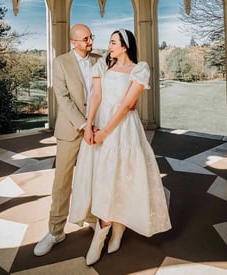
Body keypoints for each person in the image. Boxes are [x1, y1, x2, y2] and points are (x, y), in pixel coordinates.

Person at [69, 29, 172, 265]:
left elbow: (127, 105)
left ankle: (113, 229)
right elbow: (96, 97)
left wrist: (106, 132)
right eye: (110, 42)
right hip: (99, 124)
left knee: (121, 177)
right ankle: (107, 229)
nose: (109, 45)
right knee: (103, 178)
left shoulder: (140, 68)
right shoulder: (102, 66)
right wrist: (89, 127)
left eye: (113, 42)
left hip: (123, 129)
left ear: (125, 46)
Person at [33, 24, 101, 257]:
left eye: (91, 37)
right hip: (71, 130)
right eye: (85, 39)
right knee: (62, 181)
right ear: (73, 42)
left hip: (97, 129)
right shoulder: (61, 62)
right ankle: (55, 231)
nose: (90, 42)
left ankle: (92, 217)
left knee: (93, 177)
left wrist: (96, 124)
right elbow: (63, 98)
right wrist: (84, 125)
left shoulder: (100, 60)